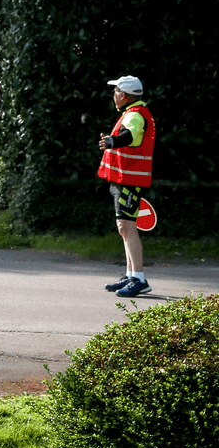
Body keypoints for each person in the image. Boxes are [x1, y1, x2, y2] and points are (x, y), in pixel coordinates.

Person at [97, 74, 155, 299]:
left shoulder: (135, 115)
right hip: (125, 179)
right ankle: (132, 275)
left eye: (115, 92)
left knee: (127, 228)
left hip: (130, 180)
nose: (113, 96)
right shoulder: (134, 113)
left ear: (123, 95)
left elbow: (130, 136)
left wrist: (112, 141)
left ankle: (139, 278)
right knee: (125, 228)